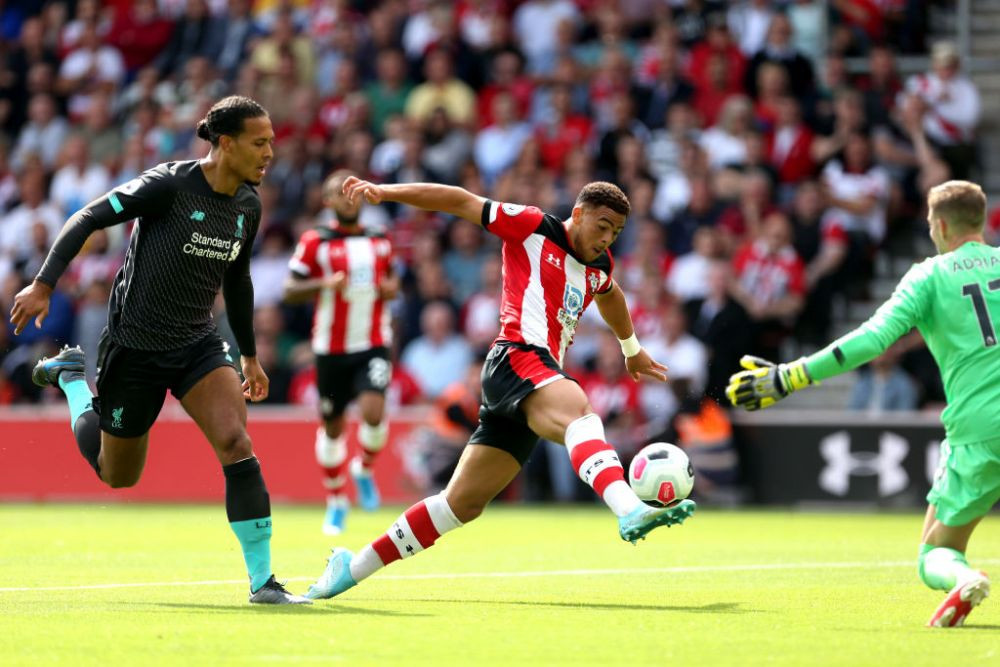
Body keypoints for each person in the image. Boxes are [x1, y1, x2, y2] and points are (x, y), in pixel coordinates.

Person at [305, 177, 696, 601]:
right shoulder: (531, 227)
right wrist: (387, 192)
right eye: (602, 225)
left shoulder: (600, 268)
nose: (607, 238)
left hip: (532, 383)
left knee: (458, 506)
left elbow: (611, 295)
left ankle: (351, 567)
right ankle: (629, 508)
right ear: (578, 214)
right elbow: (460, 200)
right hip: (516, 357)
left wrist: (631, 349)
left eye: (617, 232)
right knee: (580, 414)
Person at [8, 96, 309, 605]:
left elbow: (237, 281)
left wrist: (250, 356)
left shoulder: (247, 205)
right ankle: (72, 380)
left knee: (236, 443)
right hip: (136, 348)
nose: (269, 152)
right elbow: (87, 217)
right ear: (226, 143)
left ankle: (264, 583)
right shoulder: (168, 186)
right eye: (260, 142)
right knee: (117, 475)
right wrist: (43, 283)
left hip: (197, 343)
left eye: (272, 142)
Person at [726, 180, 994, 628]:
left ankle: (963, 578)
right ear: (980, 221)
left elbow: (873, 339)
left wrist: (790, 375)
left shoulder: (930, 274)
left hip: (978, 429)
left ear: (941, 225)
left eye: (931, 224)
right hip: (978, 426)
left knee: (935, 553)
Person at [283, 169, 399, 535]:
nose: (349, 196)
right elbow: (290, 290)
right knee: (332, 430)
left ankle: (362, 470)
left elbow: (394, 281)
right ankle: (336, 500)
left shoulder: (380, 240)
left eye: (354, 190)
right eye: (340, 191)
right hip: (330, 348)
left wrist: (387, 288)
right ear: (328, 201)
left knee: (374, 412)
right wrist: (324, 284)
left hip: (372, 342)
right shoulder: (316, 241)